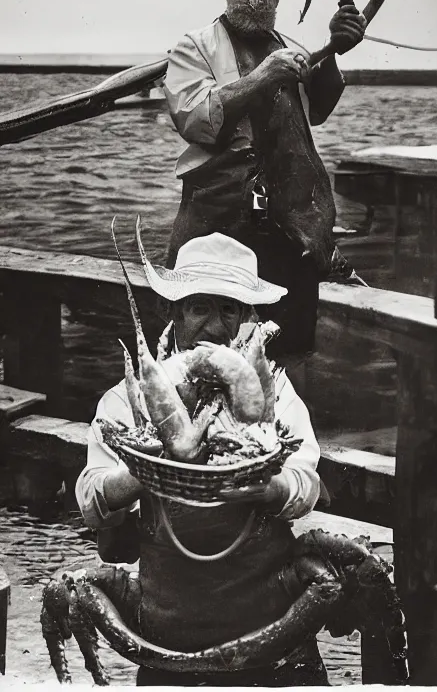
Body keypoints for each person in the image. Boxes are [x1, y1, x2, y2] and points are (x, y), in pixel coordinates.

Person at [76, 232, 329, 687]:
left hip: (268, 616)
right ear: (172, 312)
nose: (214, 326)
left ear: (247, 318)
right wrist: (139, 472)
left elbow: (306, 481)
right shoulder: (131, 399)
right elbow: (91, 499)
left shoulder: (275, 389)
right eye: (199, 307)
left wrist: (274, 488)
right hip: (171, 627)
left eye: (228, 309)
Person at [162, 0, 367, 371]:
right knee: (202, 357)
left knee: (283, 356)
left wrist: (333, 53)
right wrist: (262, 76)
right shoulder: (192, 46)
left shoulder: (288, 47)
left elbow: (319, 110)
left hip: (287, 230)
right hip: (215, 227)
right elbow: (195, 119)